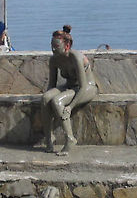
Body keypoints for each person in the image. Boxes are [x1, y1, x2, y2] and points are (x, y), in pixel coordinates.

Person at [42, 25, 98, 155]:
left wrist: (70, 106)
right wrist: (47, 98)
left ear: (66, 46)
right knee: (46, 98)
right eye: (52, 46)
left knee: (57, 102)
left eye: (56, 47)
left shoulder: (76, 58)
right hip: (70, 86)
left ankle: (70, 139)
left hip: (86, 88)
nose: (53, 50)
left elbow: (83, 86)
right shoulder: (54, 60)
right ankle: (49, 138)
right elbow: (52, 84)